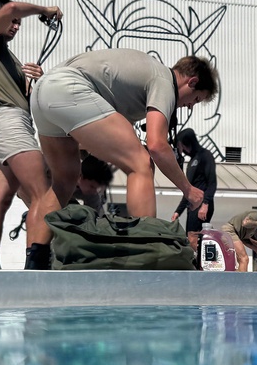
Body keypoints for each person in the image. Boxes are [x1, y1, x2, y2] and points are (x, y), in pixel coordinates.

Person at [27, 49, 219, 268]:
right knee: (141, 162)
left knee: (64, 181)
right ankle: (149, 258)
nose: (190, 106)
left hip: (43, 91)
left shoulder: (139, 79)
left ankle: (35, 262)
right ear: (191, 82)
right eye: (195, 99)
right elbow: (157, 145)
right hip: (70, 89)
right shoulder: (165, 81)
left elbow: (99, 135)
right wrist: (188, 190)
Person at [0, 0, 63, 269]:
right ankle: (35, 265)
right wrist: (44, 10)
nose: (16, 25)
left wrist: (37, 79)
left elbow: (28, 100)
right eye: (12, 21)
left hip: (8, 125)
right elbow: (11, 7)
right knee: (43, 194)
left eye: (18, 23)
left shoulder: (5, 57)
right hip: (10, 124)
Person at [171, 128, 218, 252]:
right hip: (192, 206)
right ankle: (195, 266)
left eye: (180, 145)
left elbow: (212, 183)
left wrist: (205, 204)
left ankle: (199, 268)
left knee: (194, 238)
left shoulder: (205, 155)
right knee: (190, 238)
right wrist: (178, 211)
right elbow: (189, 190)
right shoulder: (191, 161)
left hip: (202, 205)